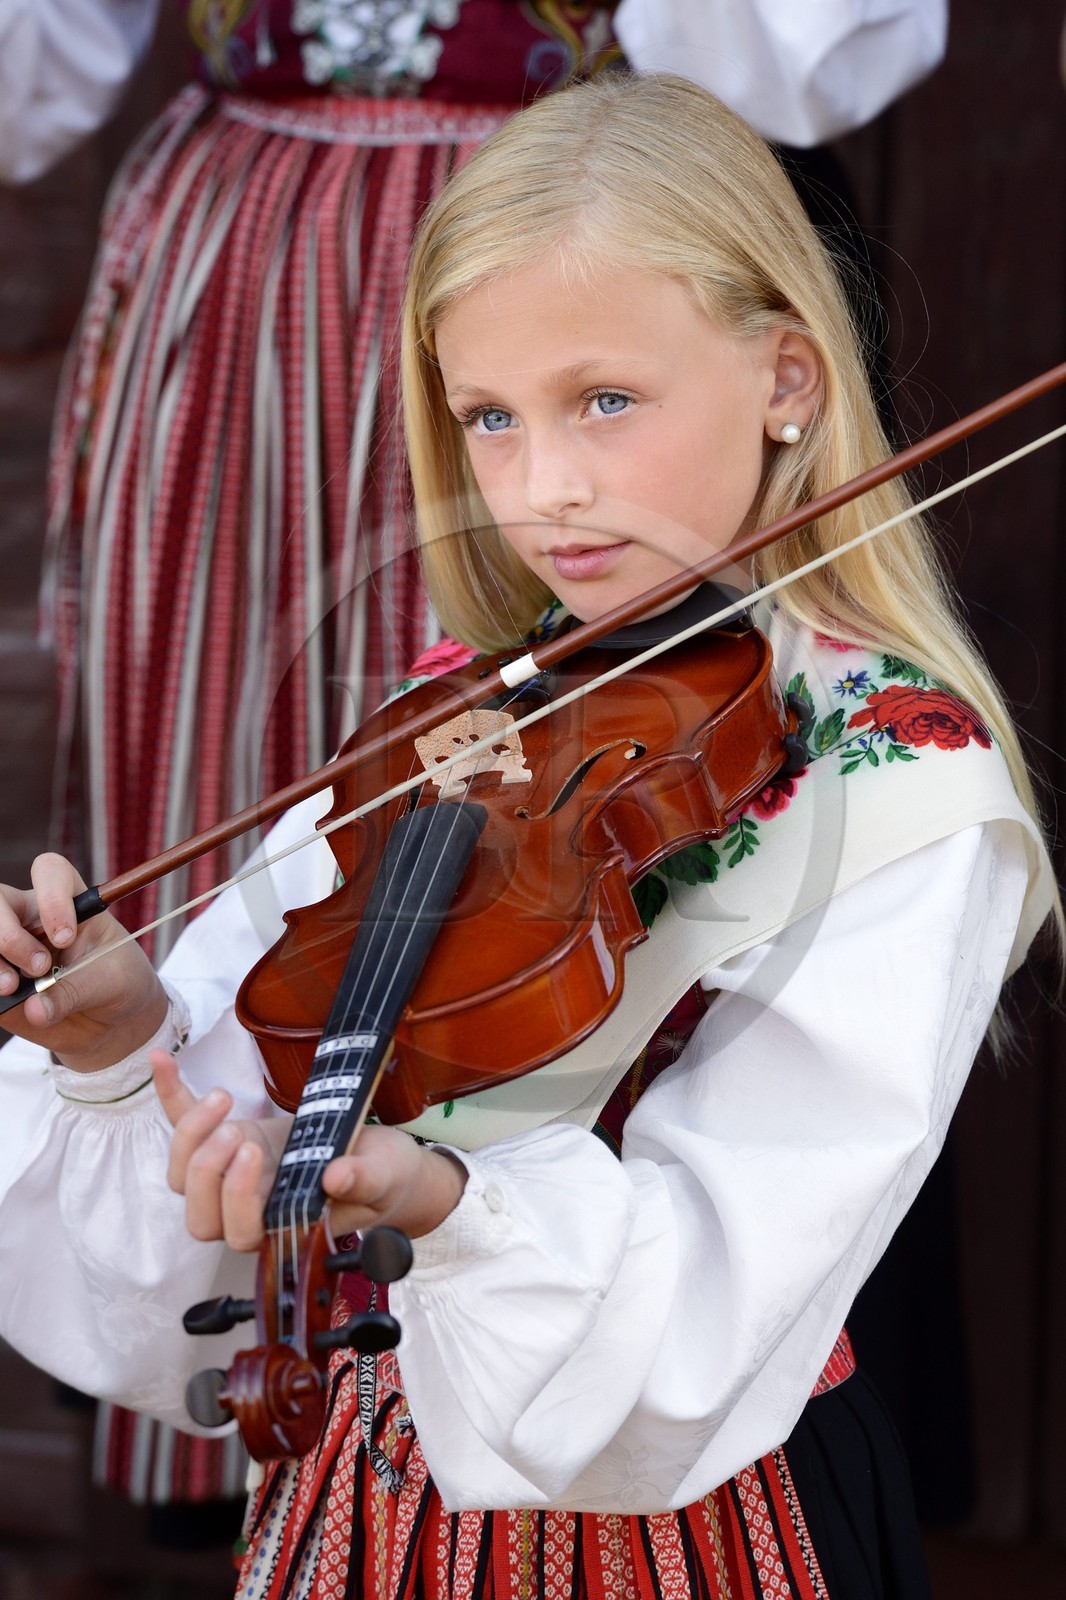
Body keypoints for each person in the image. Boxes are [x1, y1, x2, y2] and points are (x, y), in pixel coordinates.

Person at [0, 68, 1048, 1600]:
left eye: (604, 401)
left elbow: (718, 1284)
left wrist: (440, 1200)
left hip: (690, 1536)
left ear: (785, 379)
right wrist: (122, 1041)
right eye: (489, 417)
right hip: (355, 1505)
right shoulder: (462, 722)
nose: (543, 487)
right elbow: (241, 1125)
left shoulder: (901, 788)